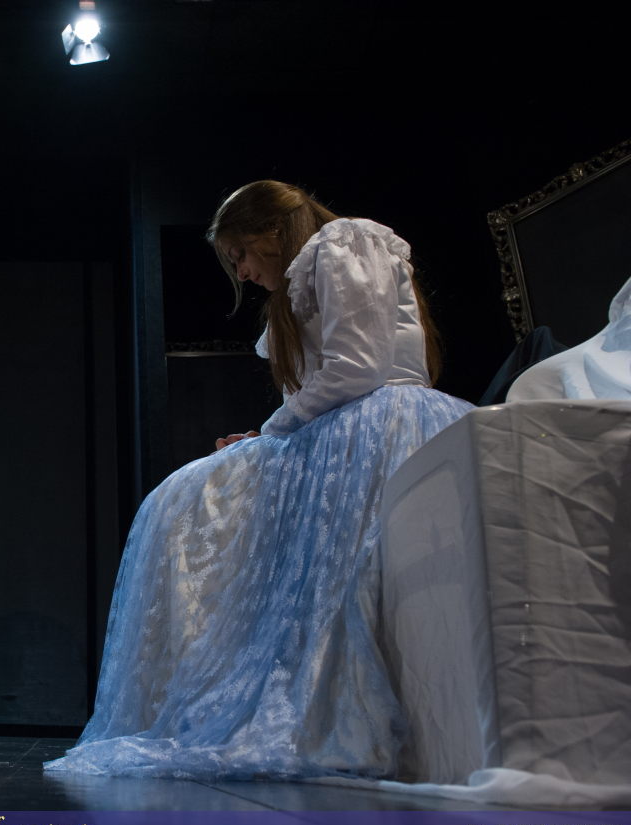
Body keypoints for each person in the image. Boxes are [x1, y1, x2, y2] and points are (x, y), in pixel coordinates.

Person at [45, 180, 473, 780]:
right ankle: (202, 690)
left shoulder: (344, 243)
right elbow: (322, 386)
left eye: (241, 253)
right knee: (179, 498)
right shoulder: (298, 284)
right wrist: (269, 432)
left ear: (272, 231)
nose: (242, 272)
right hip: (335, 429)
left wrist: (275, 428)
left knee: (195, 496)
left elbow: (359, 366)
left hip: (383, 419)